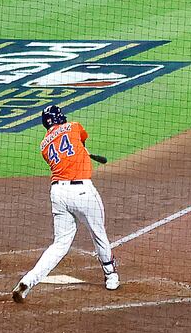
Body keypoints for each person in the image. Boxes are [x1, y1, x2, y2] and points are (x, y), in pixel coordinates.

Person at [15, 103, 116, 299]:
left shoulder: (43, 146)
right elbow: (81, 142)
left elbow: (65, 153)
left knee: (60, 244)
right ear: (61, 117)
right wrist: (83, 152)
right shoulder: (74, 126)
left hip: (58, 194)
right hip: (82, 192)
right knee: (98, 233)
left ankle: (29, 280)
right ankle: (111, 276)